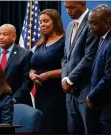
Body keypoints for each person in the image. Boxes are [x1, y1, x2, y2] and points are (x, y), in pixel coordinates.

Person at [62, 1, 100, 134]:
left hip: (85, 89)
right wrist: (65, 79)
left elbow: (89, 57)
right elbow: (65, 57)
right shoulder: (70, 25)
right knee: (73, 130)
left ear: (82, 4)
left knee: (89, 129)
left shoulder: (93, 22)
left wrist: (71, 80)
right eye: (66, 7)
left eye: (72, 7)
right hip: (69, 91)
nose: (68, 11)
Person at [29, 9, 67, 134]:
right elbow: (33, 67)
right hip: (41, 93)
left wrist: (48, 75)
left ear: (55, 22)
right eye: (40, 22)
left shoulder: (65, 41)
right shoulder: (41, 43)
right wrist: (32, 75)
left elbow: (70, 67)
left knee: (54, 127)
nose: (42, 24)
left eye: (46, 21)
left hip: (57, 93)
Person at [0, 24, 33, 106]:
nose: (0, 37)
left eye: (5, 34)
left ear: (14, 37)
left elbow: (27, 81)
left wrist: (14, 99)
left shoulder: (25, 54)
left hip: (18, 103)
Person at [87, 4, 111, 134]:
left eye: (93, 23)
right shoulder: (102, 39)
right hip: (102, 108)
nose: (89, 27)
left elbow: (109, 77)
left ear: (107, 21)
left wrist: (92, 96)